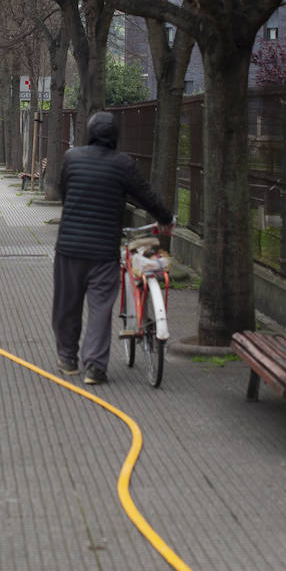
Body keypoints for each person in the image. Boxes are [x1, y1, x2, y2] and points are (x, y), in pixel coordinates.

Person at [53, 111, 172, 386]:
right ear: (115, 136)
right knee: (100, 309)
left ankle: (68, 359)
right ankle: (95, 367)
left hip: (69, 248)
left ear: (90, 133)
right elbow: (146, 196)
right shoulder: (123, 164)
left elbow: (63, 192)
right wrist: (165, 219)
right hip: (103, 250)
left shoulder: (72, 157)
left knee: (66, 306)